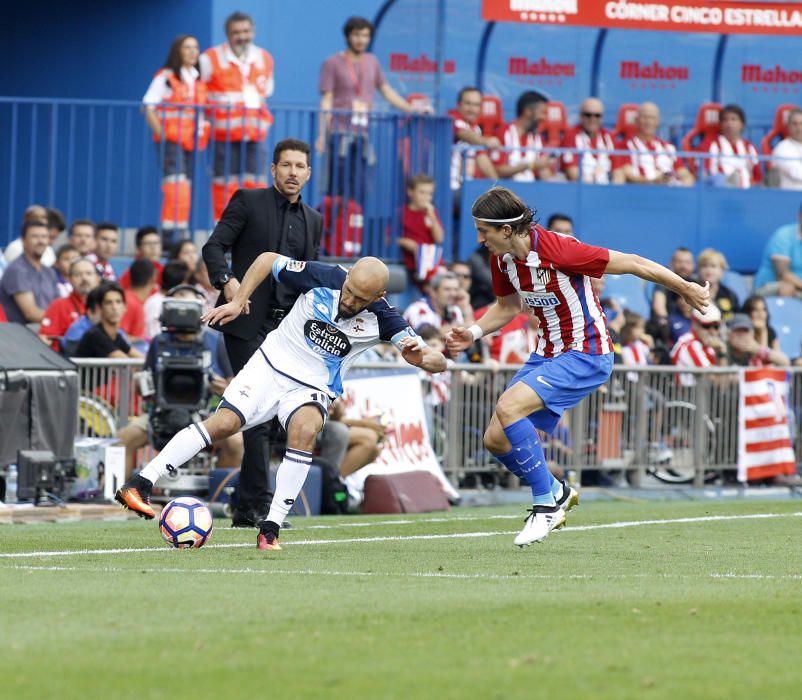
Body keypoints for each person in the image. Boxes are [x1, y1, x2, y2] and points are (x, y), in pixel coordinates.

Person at [115, 253, 446, 551]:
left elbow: (436, 360)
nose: (348, 301)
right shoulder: (322, 276)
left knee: (306, 429)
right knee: (225, 424)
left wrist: (422, 357)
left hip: (311, 386)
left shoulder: (386, 318)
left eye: (360, 299)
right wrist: (238, 300)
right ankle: (140, 483)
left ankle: (270, 529)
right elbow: (265, 260)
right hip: (270, 366)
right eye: (348, 291)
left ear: (378, 297)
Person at [445, 186, 710, 546]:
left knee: (508, 408)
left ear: (506, 230)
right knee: (494, 439)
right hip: (548, 353)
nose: (479, 239)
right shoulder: (502, 259)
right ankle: (556, 490)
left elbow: (634, 263)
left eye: (484, 231)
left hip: (587, 352)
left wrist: (685, 288)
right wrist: (473, 333)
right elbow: (507, 308)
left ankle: (546, 504)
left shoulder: (558, 249)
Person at [202, 138, 322, 528]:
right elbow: (214, 247)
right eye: (284, 165)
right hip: (246, 324)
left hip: (287, 332)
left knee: (270, 419)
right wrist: (229, 283)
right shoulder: (247, 201)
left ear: (308, 172)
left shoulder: (314, 219)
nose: (291, 172)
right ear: (273, 170)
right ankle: (258, 507)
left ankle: (246, 506)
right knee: (256, 411)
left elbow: (311, 276)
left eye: (299, 166)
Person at [114, 285, 243, 478]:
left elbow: (235, 388)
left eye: (188, 306)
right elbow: (145, 383)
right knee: (123, 440)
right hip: (162, 414)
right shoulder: (159, 341)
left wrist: (220, 388)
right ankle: (123, 497)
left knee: (235, 443)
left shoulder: (216, 341)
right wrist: (142, 384)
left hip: (206, 413)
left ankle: (219, 495)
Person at [317, 15, 424, 201]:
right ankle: (334, 226)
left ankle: (353, 225)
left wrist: (411, 109)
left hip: (363, 134)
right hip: (339, 132)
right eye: (357, 35)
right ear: (348, 36)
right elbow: (327, 99)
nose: (361, 40)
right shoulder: (332, 62)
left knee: (360, 186)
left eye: (365, 36)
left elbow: (386, 90)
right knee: (337, 185)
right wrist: (321, 134)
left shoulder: (372, 61)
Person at [201, 12, 274, 221]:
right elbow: (200, 93)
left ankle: (254, 226)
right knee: (223, 184)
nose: (242, 36)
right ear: (227, 35)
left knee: (257, 183)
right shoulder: (210, 58)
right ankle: (222, 228)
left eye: (246, 31)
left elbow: (266, 91)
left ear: (253, 32)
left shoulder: (265, 58)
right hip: (222, 134)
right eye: (236, 32)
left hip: (255, 133)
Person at [143, 35, 210, 241]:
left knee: (184, 186)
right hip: (171, 141)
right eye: (187, 47)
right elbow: (147, 106)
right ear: (177, 51)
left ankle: (178, 230)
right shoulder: (166, 76)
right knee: (175, 185)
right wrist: (163, 136)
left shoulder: (196, 78)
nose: (192, 52)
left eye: (195, 48)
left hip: (190, 142)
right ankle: (170, 233)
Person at [615, 102, 694, 187]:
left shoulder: (669, 148)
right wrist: (653, 182)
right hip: (640, 194)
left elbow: (685, 174)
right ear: (636, 120)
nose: (649, 122)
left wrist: (685, 184)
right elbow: (628, 175)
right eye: (645, 117)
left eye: (652, 118)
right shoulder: (625, 146)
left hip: (670, 195)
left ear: (658, 121)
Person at [0, 220, 60, 324]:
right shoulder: (17, 270)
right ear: (23, 240)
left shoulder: (50, 272)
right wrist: (62, 320)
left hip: (47, 331)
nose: (41, 241)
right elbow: (31, 313)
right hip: (22, 335)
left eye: (44, 237)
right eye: (35, 236)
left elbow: (57, 307)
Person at [39, 257, 99, 352]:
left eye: (89, 273)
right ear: (70, 279)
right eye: (78, 275)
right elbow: (46, 340)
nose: (84, 278)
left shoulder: (107, 305)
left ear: (97, 278)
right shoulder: (59, 305)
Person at [492, 90, 555, 181]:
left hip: (533, 191)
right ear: (528, 111)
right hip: (507, 192)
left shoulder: (537, 138)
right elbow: (497, 170)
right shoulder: (504, 132)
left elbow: (543, 171)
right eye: (542, 112)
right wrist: (531, 165)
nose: (543, 118)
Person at [74, 282, 144, 359]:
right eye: (108, 303)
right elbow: (124, 361)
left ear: (125, 307)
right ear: (100, 308)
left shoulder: (117, 337)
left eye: (118, 302)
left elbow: (140, 358)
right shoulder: (95, 335)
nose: (114, 307)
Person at [449, 87, 500, 192]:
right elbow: (464, 134)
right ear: (458, 105)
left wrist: (498, 187)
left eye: (476, 105)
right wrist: (486, 141)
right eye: (468, 104)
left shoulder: (476, 129)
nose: (472, 109)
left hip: (465, 187)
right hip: (449, 186)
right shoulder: (451, 118)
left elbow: (482, 158)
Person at [397, 174, 445, 284]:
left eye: (429, 194)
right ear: (410, 192)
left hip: (431, 265)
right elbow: (388, 238)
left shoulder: (432, 213)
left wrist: (432, 216)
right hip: (411, 266)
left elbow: (439, 238)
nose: (426, 197)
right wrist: (403, 242)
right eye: (422, 192)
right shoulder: (401, 213)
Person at [702, 104, 762, 189]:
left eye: (733, 119)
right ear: (720, 124)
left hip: (748, 192)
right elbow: (705, 172)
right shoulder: (712, 144)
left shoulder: (749, 147)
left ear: (742, 124)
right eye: (725, 120)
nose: (729, 124)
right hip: (719, 190)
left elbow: (757, 175)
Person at [561, 97, 617, 184]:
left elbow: (618, 170)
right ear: (581, 116)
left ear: (602, 118)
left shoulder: (608, 137)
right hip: (582, 190)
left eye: (597, 115)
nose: (593, 119)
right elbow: (573, 173)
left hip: (606, 189)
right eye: (588, 115)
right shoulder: (570, 136)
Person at [753, 206, 802, 298]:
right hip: (770, 287)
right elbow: (783, 274)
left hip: (799, 290)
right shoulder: (784, 235)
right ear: (800, 216)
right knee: (787, 288)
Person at [403, 270, 469, 335]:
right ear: (433, 292)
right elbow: (428, 336)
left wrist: (465, 308)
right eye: (447, 289)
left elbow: (467, 336)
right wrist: (465, 327)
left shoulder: (455, 309)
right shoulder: (417, 309)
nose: (453, 294)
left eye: (455, 289)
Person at [144, 261, 188, 341]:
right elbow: (154, 337)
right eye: (185, 282)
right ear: (180, 284)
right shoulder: (156, 304)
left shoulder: (171, 301)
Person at [696, 248, 739, 321]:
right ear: (698, 270)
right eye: (704, 266)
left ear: (722, 271)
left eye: (713, 266)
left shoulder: (730, 295)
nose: (709, 270)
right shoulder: (691, 290)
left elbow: (735, 319)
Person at [119, 226, 164, 292]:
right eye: (148, 243)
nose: (153, 247)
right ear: (138, 249)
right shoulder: (131, 274)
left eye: (156, 243)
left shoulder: (164, 271)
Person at [772, 108, 802, 191]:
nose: (799, 128)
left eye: (801, 123)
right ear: (788, 126)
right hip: (790, 197)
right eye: (795, 124)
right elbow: (797, 173)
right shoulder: (782, 148)